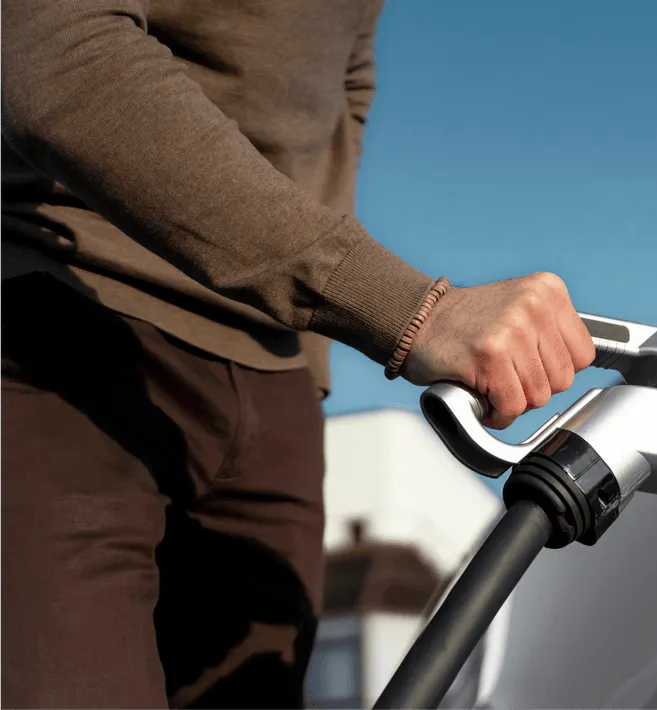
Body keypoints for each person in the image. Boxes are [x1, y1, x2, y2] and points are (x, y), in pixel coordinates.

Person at [0, 1, 596, 708]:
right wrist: (410, 310)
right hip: (64, 335)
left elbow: (341, 106)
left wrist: (306, 366)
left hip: (277, 388)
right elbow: (59, 56)